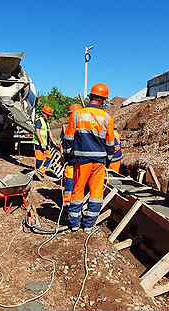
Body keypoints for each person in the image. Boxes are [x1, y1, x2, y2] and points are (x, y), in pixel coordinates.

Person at [63, 83, 115, 232]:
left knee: (78, 191)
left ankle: (74, 224)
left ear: (91, 97)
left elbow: (68, 138)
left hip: (81, 160)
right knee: (96, 194)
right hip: (99, 162)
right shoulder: (107, 117)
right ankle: (89, 225)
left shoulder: (77, 114)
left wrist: (68, 156)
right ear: (103, 100)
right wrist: (108, 159)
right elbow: (110, 142)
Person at [61, 104, 83, 208]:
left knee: (72, 185)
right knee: (73, 185)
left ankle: (70, 206)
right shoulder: (85, 126)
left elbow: (66, 146)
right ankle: (69, 205)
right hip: (78, 162)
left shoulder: (71, 127)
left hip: (75, 161)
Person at [33, 105, 57, 178]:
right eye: (48, 115)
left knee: (49, 158)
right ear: (44, 114)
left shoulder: (46, 122)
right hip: (39, 144)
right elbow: (37, 132)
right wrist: (41, 143)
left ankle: (40, 172)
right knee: (40, 159)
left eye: (49, 116)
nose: (49, 117)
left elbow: (49, 133)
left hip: (45, 144)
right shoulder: (39, 120)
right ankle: (38, 174)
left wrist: (54, 142)